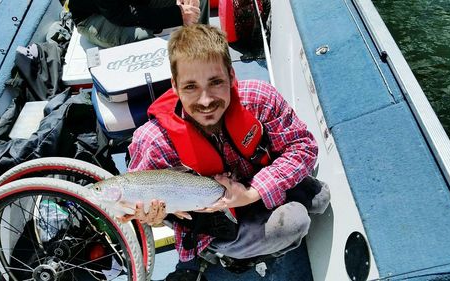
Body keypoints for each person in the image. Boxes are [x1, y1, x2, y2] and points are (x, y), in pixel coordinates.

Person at [126, 24, 330, 280]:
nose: (205, 100)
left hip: (253, 184)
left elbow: (303, 147)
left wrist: (252, 192)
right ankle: (226, 254)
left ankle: (255, 226)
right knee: (295, 223)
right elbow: (143, 201)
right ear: (175, 86)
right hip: (210, 217)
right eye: (190, 87)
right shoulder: (153, 141)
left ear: (232, 76)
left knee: (321, 198)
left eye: (215, 82)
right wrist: (152, 217)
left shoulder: (259, 98)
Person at [68, 0, 209, 48]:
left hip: (133, 3)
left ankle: (205, 46)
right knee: (144, 37)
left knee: (198, 2)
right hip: (95, 16)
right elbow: (121, 14)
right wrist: (177, 15)